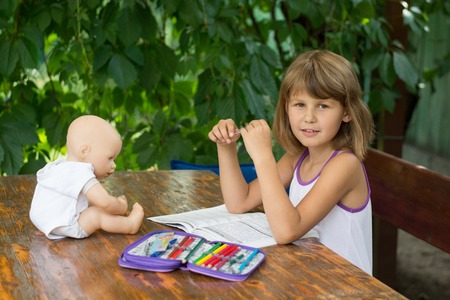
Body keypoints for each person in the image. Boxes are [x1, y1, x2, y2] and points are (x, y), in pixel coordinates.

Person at [208, 50, 375, 274]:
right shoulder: (298, 157)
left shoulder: (345, 165)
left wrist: (264, 157)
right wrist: (226, 147)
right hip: (307, 280)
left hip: (349, 289)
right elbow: (240, 202)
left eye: (322, 106)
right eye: (299, 105)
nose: (309, 117)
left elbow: (287, 231)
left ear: (347, 112)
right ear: (286, 108)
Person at [30, 115, 144, 239]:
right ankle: (129, 225)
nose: (114, 165)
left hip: (44, 221)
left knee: (91, 203)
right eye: (110, 158)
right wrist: (120, 206)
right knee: (97, 215)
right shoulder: (81, 173)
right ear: (84, 151)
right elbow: (105, 201)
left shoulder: (59, 167)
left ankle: (54, 226)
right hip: (67, 225)